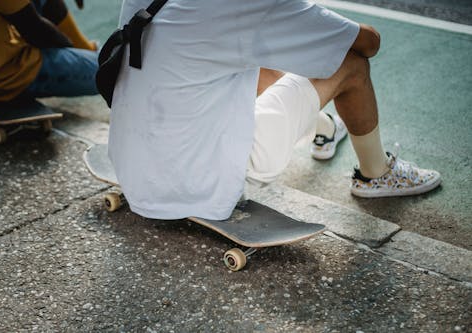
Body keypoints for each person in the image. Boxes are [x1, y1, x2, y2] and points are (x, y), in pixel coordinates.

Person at [108, 0, 442, 220]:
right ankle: (377, 174)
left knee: (248, 53)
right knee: (349, 63)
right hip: (202, 180)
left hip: (136, 164)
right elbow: (369, 43)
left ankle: (323, 127)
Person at [0, 0, 98, 102]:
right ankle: (91, 54)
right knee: (112, 71)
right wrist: (69, 48)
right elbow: (36, 31)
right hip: (5, 75)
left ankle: (87, 50)